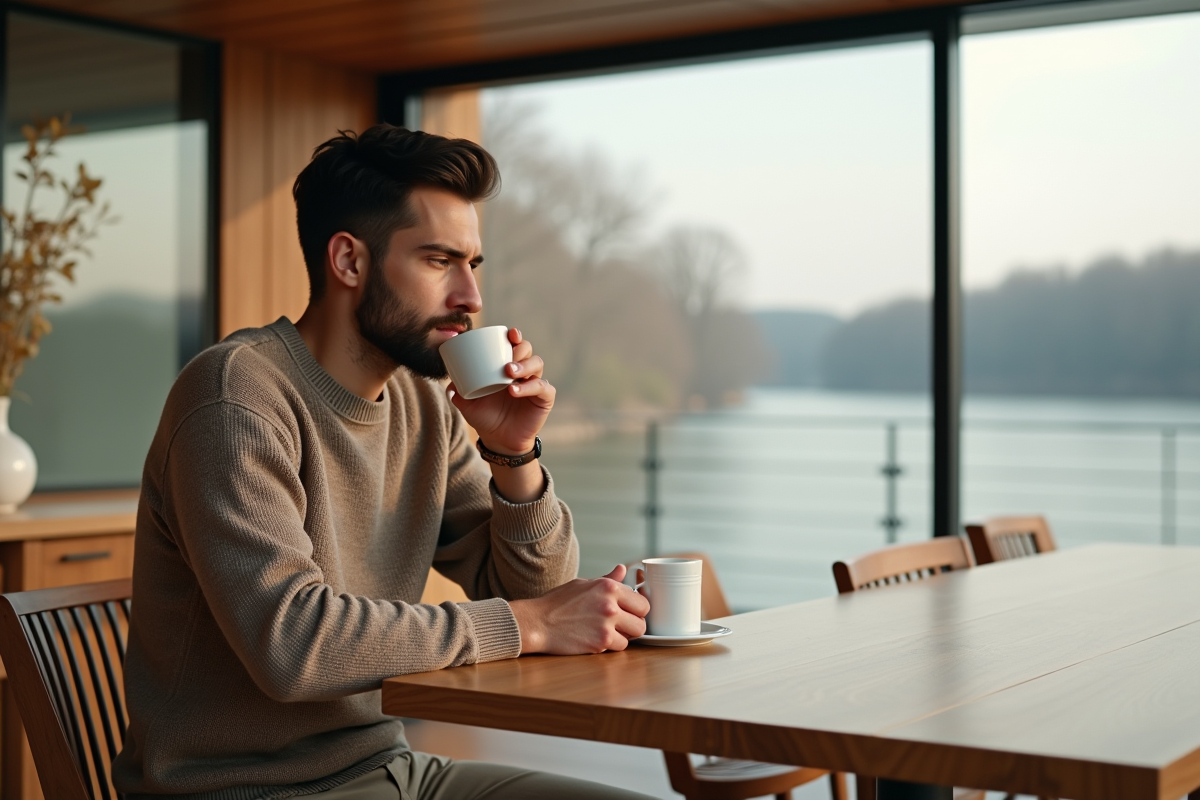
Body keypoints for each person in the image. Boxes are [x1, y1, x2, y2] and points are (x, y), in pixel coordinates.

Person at [113, 124, 654, 800]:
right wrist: (532, 627)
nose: (471, 297)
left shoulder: (423, 405)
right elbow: (294, 645)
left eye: (473, 264)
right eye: (438, 261)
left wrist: (513, 452)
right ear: (349, 262)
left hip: (390, 770)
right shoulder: (235, 398)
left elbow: (535, 587)